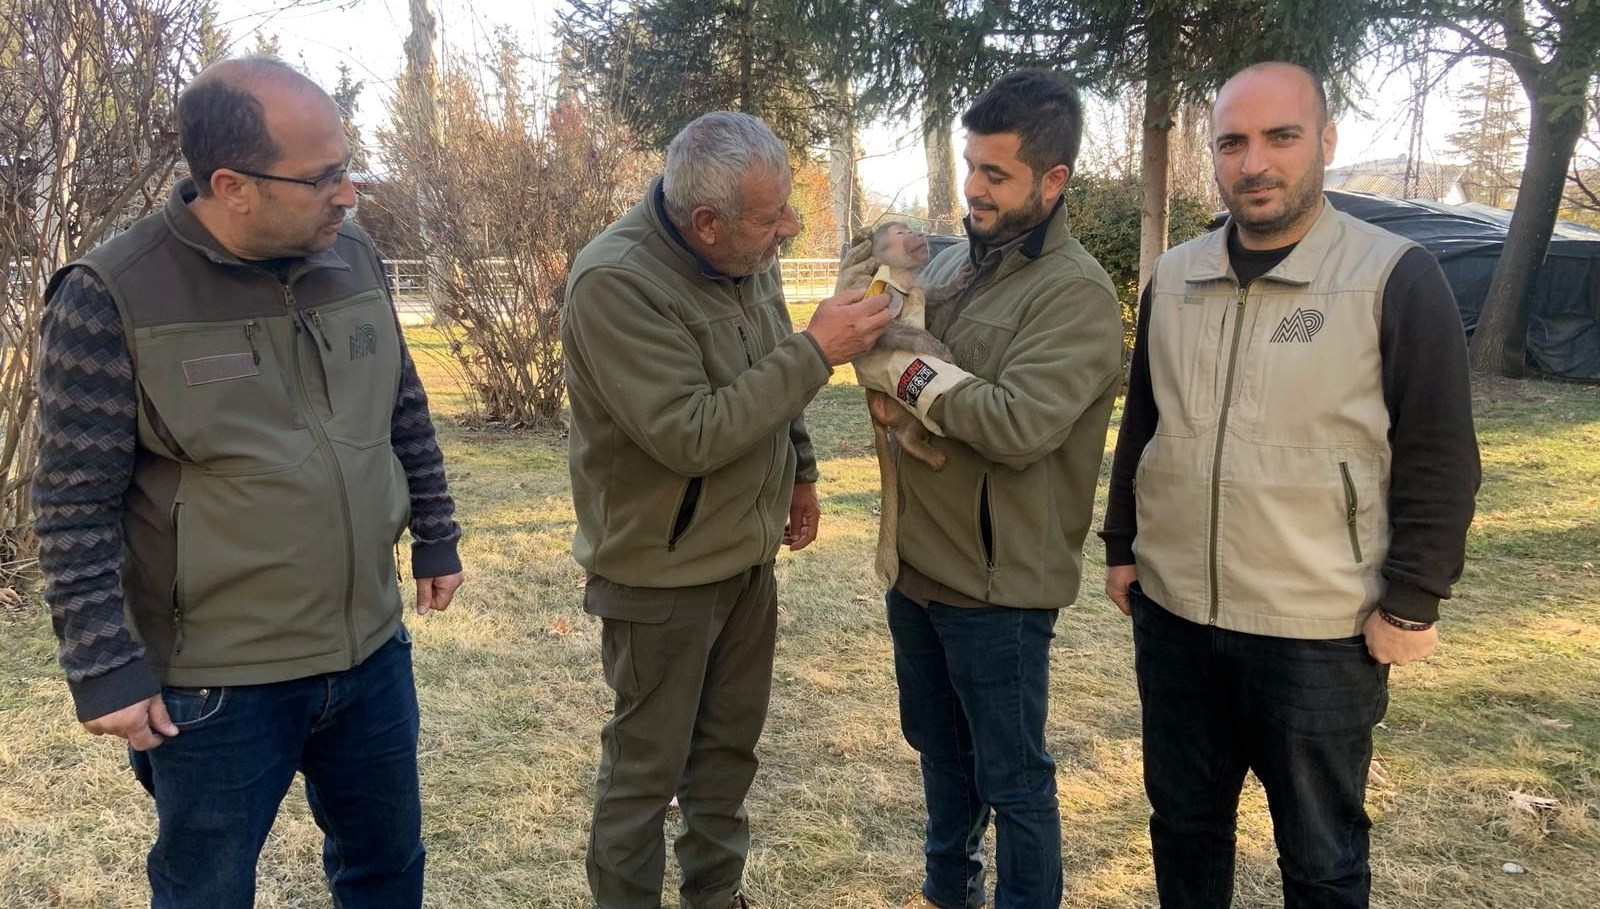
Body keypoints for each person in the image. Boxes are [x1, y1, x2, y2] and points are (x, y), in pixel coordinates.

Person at [31, 57, 464, 909]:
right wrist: (105, 667)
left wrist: (436, 531)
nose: (349, 195)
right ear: (231, 184)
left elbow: (402, 405)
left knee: (387, 868)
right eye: (323, 178)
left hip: (371, 651)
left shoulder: (354, 256)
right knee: (207, 890)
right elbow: (72, 500)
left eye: (348, 166)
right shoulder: (111, 296)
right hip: (215, 683)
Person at [1100, 61, 1480, 909]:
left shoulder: (1393, 275)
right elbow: (1144, 425)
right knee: (1185, 829)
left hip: (1319, 628)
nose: (1255, 162)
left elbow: (1439, 450)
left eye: (1281, 137)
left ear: (1327, 143)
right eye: (1233, 142)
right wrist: (1122, 544)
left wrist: (1414, 597)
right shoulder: (1175, 276)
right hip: (1176, 617)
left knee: (1321, 856)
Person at [562, 110, 891, 909]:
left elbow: (771, 360)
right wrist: (819, 351)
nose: (789, 226)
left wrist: (802, 471)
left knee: (727, 755)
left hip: (746, 559)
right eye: (770, 215)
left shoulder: (748, 256)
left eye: (786, 208)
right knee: (645, 774)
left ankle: (716, 896)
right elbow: (691, 433)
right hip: (660, 572)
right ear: (704, 222)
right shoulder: (617, 282)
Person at [849, 70, 1124, 909]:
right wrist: (888, 258)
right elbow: (878, 304)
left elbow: (1014, 424)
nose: (974, 188)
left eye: (996, 174)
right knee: (940, 750)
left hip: (998, 585)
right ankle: (946, 891)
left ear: (1053, 180)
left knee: (1014, 779)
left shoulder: (1075, 294)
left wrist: (903, 367)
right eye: (971, 166)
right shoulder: (964, 263)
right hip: (918, 565)